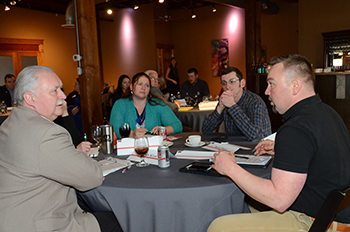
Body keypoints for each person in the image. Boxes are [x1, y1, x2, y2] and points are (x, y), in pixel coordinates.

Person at [207, 55, 350, 231]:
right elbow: (320, 152)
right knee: (244, 202)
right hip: (338, 213)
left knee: (218, 226)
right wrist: (284, 149)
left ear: (295, 86)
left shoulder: (295, 128)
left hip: (316, 222)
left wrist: (230, 168)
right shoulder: (328, 113)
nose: (267, 91)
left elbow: (279, 200)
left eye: (272, 84)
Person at [0, 66, 122, 232]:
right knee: (122, 219)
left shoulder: (9, 122)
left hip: (13, 218)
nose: (63, 96)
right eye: (54, 91)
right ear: (30, 98)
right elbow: (92, 177)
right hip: (40, 223)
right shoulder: (46, 132)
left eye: (61, 89)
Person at [202, 67, 271, 141]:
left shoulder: (255, 102)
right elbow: (206, 130)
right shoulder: (225, 100)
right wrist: (220, 108)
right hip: (233, 146)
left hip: (258, 147)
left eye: (232, 81)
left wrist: (232, 106)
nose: (227, 87)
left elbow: (254, 135)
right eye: (224, 83)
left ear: (242, 83)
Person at [110, 72, 182, 139]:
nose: (143, 88)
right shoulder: (120, 104)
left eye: (147, 85)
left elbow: (177, 125)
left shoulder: (157, 104)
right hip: (127, 149)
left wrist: (163, 130)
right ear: (131, 87)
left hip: (153, 149)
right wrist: (131, 134)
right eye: (140, 84)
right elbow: (114, 129)